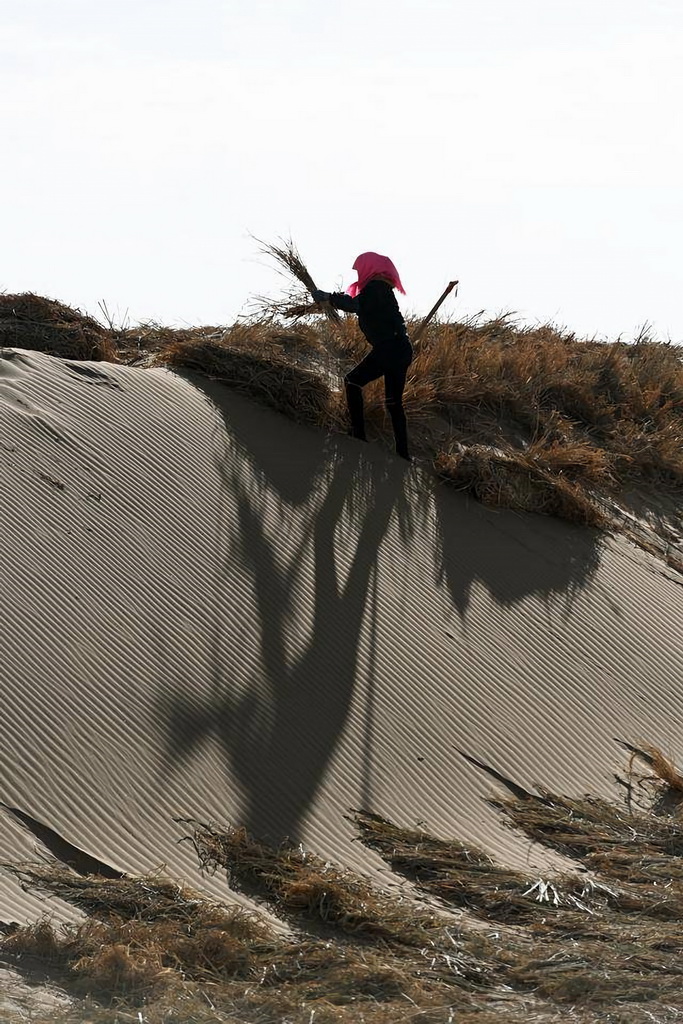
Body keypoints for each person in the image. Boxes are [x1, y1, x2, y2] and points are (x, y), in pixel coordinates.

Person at [312, 252, 413, 461]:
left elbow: (354, 305)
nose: (359, 273)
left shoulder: (375, 288)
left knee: (352, 381)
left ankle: (358, 434)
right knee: (393, 402)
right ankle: (403, 455)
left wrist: (327, 297)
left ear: (370, 269)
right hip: (401, 349)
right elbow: (358, 303)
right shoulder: (382, 290)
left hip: (389, 348)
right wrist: (333, 298)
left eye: (360, 269)